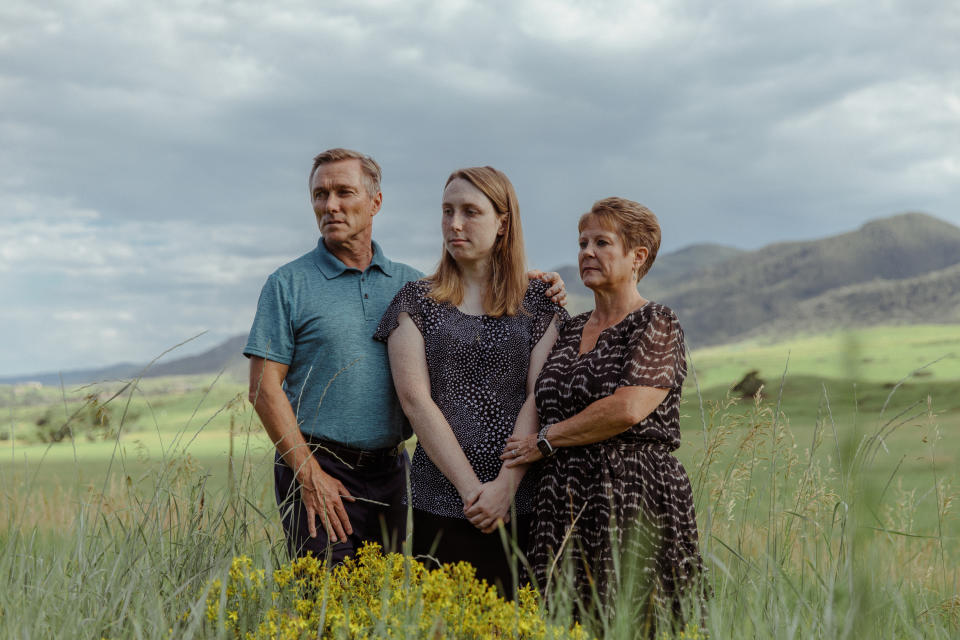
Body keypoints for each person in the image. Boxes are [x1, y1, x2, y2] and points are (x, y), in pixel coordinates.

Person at [244, 149, 565, 565]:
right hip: (319, 466)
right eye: (320, 194)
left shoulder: (411, 284)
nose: (331, 205)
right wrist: (309, 475)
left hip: (390, 473)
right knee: (325, 605)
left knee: (383, 602)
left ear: (375, 202)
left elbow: (476, 289)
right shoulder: (288, 284)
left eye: (344, 192)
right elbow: (263, 388)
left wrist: (537, 280)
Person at [503, 197, 705, 625]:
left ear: (638, 257)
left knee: (633, 620)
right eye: (582, 243)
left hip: (632, 492)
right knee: (561, 621)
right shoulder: (569, 327)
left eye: (601, 242)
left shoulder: (655, 321)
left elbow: (628, 408)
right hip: (561, 498)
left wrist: (546, 441)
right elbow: (539, 393)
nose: (587, 252)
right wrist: (529, 281)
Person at [374, 166, 567, 594]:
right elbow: (415, 401)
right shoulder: (415, 301)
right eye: (447, 211)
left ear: (503, 223)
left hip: (525, 500)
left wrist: (504, 487)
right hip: (439, 498)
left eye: (470, 212)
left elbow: (539, 396)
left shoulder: (539, 301)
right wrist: (472, 493)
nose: (454, 224)